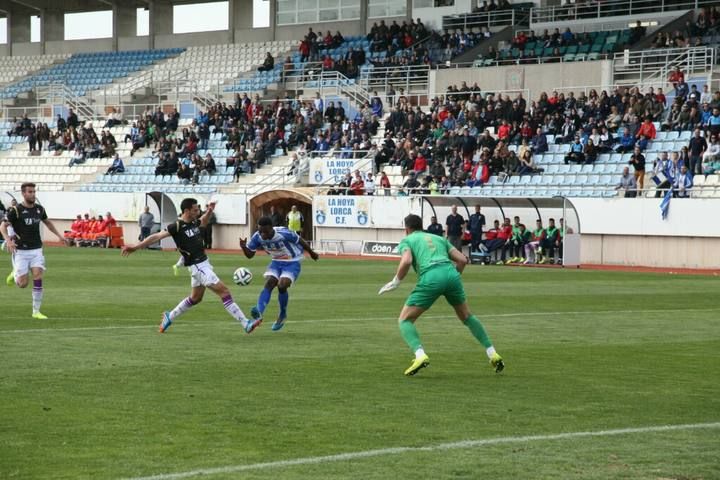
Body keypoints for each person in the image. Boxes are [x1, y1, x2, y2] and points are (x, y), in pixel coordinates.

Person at [377, 214, 504, 376]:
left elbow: (407, 260)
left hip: (431, 277)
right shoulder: (438, 238)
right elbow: (463, 260)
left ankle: (420, 355)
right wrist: (453, 279)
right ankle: (492, 353)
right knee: (466, 316)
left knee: (405, 320)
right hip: (451, 274)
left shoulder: (407, 240)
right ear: (422, 225)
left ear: (406, 229)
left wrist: (396, 281)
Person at [121, 199, 261, 334]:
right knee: (224, 292)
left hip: (202, 264)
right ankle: (245, 323)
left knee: (195, 298)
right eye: (195, 210)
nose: (198, 211)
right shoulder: (176, 226)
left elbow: (204, 221)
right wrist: (136, 246)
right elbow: (156, 236)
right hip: (198, 266)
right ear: (187, 211)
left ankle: (170, 316)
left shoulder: (194, 222)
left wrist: (210, 210)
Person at [239, 216, 319, 331]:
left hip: (292, 261)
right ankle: (259, 313)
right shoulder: (257, 236)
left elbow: (299, 240)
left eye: (265, 232)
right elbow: (250, 255)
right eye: (260, 231)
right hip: (276, 261)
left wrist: (311, 252)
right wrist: (243, 247)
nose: (262, 234)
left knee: (282, 285)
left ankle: (282, 314)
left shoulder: (283, 233)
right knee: (269, 283)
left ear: (271, 228)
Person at [1, 183, 65, 319]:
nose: (33, 194)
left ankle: (36, 311)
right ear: (24, 194)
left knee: (38, 275)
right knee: (23, 284)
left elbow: (47, 222)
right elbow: (3, 226)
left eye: (34, 192)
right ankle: (15, 274)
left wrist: (59, 236)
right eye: (30, 192)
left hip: (36, 249)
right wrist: (8, 240)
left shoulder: (39, 209)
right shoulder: (15, 210)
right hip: (20, 251)